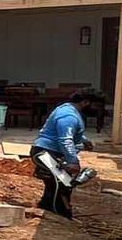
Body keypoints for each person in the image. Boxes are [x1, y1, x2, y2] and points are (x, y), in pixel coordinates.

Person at [30, 89, 103, 218]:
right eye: (96, 106)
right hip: (45, 153)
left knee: (55, 184)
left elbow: (68, 132)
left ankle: (47, 207)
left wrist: (83, 140)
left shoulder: (68, 109)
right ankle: (59, 214)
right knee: (61, 185)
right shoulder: (69, 116)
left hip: (48, 151)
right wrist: (73, 162)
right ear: (86, 102)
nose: (97, 110)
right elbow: (65, 140)